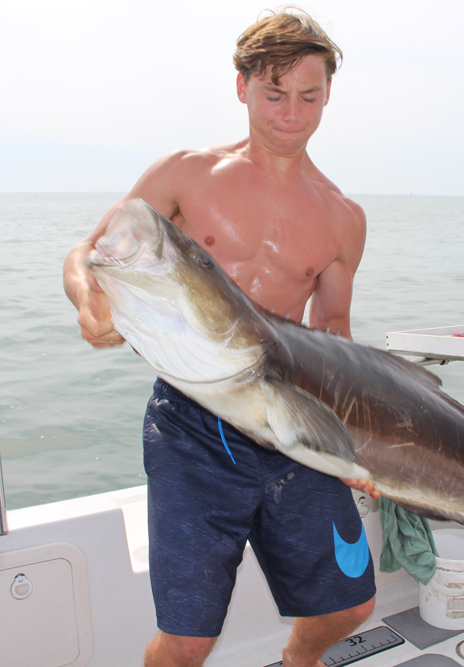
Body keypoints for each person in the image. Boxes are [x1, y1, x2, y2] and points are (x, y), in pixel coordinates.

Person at [63, 10, 378, 667]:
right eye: (274, 93)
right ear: (241, 88)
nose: (291, 113)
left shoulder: (344, 217)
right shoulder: (188, 172)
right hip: (192, 427)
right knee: (187, 641)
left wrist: (359, 441)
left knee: (350, 606)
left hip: (289, 417)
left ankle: (299, 659)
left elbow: (335, 334)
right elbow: (89, 249)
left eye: (309, 96)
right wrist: (89, 302)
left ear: (328, 95)